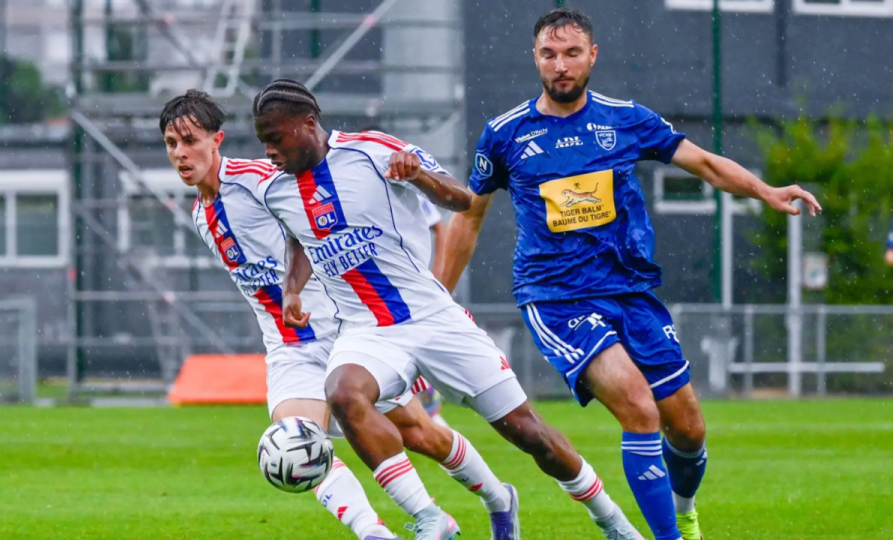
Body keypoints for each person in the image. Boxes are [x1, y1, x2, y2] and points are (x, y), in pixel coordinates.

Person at [434, 9, 822, 540]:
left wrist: (766, 191)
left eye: (572, 53)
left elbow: (705, 164)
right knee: (639, 408)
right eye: (549, 54)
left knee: (688, 429)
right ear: (536, 58)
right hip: (557, 298)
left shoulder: (625, 119)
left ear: (592, 56)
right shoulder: (504, 134)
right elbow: (468, 218)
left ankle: (684, 513)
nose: (561, 65)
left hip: (631, 291)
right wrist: (436, 300)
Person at [251, 78, 643, 540]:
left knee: (527, 432)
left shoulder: (372, 151)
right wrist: (292, 290)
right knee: (343, 393)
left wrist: (417, 173)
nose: (269, 151)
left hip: (433, 318)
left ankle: (612, 522)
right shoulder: (277, 191)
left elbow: (462, 199)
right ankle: (428, 515)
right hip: (366, 329)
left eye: (275, 138)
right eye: (263, 141)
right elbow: (298, 238)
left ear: (307, 123)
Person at [159, 90, 522, 540]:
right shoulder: (201, 214)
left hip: (343, 331)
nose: (180, 153)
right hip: (289, 347)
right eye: (171, 144)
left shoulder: (260, 180)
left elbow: (315, 217)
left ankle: (499, 499)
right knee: (297, 443)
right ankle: (384, 530)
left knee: (420, 433)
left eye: (189, 141)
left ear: (217, 140)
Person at [358, 122, 451, 428]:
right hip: (376, 291)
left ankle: (431, 413)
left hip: (414, 286)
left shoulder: (402, 179)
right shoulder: (356, 189)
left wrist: (440, 276)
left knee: (423, 348)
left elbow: (440, 226)